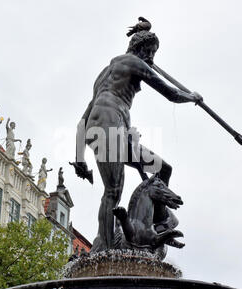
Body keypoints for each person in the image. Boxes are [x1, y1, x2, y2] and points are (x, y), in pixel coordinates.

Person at [72, 27, 203, 253]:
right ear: (141, 48)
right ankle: (105, 249)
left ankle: (158, 224)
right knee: (113, 191)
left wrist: (79, 157)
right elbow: (170, 93)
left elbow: (82, 121)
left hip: (111, 128)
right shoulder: (132, 61)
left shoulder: (104, 76)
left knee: (163, 169)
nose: (152, 59)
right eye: (151, 52)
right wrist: (192, 97)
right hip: (109, 125)